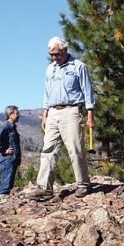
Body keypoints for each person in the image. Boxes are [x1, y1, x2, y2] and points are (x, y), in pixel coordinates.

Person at [27, 36, 95, 201]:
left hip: (71, 111)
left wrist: (90, 115)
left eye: (57, 54)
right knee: (48, 150)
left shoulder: (79, 66)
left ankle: (83, 184)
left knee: (75, 149)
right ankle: (44, 188)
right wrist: (44, 114)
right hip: (52, 112)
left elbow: (88, 91)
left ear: (64, 50)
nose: (54, 57)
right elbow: (46, 93)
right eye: (51, 54)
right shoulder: (50, 69)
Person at [0, 105, 22, 197]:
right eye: (16, 113)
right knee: (6, 184)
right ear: (10, 115)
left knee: (9, 183)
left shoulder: (12, 127)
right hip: (8, 159)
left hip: (13, 159)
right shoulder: (6, 126)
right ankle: (2, 199)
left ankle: (4, 199)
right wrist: (4, 150)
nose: (18, 115)